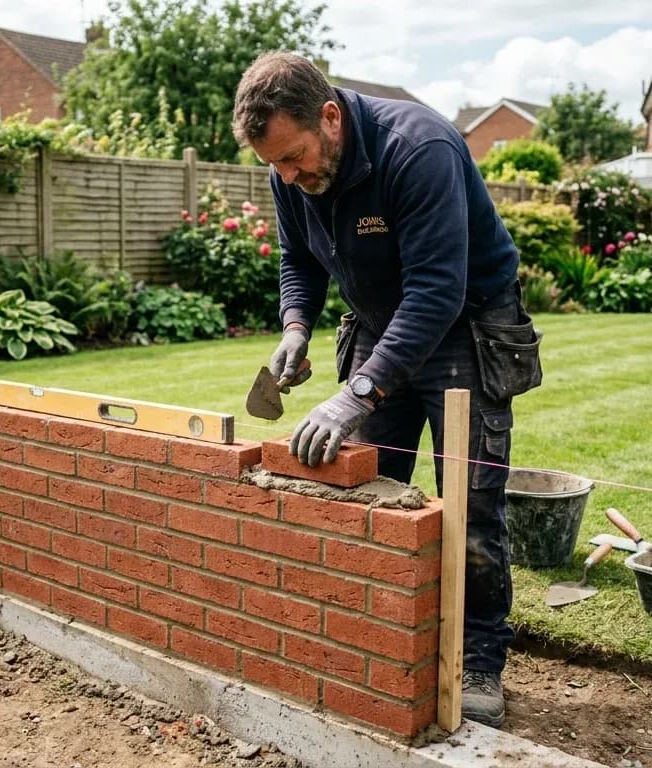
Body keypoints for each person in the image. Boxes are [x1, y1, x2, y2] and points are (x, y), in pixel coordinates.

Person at [232, 51, 542, 729]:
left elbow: (437, 291)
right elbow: (297, 258)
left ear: (330, 118)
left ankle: (479, 658)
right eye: (275, 166)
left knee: (470, 505)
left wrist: (357, 393)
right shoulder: (292, 171)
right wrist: (295, 326)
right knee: (368, 489)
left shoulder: (419, 149)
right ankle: (383, 634)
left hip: (465, 327)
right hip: (380, 326)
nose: (288, 177)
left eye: (294, 158)